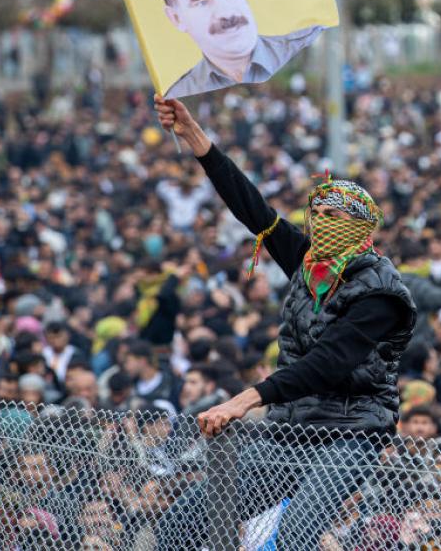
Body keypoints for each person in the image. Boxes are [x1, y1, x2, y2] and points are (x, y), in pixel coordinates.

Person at [152, 95, 417, 550]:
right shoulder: (306, 260)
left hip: (351, 433)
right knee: (184, 520)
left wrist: (246, 400)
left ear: (362, 229)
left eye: (334, 218)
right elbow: (253, 209)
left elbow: (329, 361)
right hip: (291, 429)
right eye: (317, 215)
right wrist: (196, 138)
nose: (321, 224)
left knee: (294, 537)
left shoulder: (381, 291)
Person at [155, 0, 324, 99]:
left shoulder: (303, 43)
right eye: (202, 2)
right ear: (176, 18)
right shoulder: (180, 94)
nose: (226, 13)